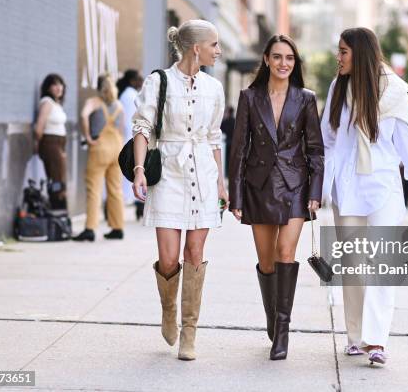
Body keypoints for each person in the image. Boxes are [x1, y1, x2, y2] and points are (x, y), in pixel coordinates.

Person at [321, 28, 408, 365]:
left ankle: (376, 341)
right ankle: (355, 336)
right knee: (353, 264)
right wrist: (322, 189)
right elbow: (328, 140)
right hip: (348, 188)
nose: (338, 58)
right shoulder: (338, 86)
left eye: (343, 52)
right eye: (338, 51)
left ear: (361, 53)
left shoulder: (396, 91)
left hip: (383, 188)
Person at [132, 19, 225, 361]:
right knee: (169, 258)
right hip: (168, 171)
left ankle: (189, 332)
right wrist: (140, 169)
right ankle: (168, 309)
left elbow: (214, 137)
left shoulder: (214, 88)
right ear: (195, 48)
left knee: (195, 255)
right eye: (214, 44)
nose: (219, 50)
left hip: (202, 171)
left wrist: (220, 182)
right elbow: (142, 127)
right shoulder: (159, 81)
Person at [228, 34, 324, 360]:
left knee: (286, 252)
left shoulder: (306, 98)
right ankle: (272, 317)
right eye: (278, 57)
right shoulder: (249, 97)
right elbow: (239, 150)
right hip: (259, 186)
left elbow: (316, 151)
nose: (284, 63)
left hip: (296, 186)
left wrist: (315, 192)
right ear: (267, 60)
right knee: (267, 262)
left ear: (295, 64)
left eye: (290, 58)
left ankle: (282, 331)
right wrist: (236, 195)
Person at [73, 74, 125, 241]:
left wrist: (87, 136)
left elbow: (83, 115)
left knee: (94, 189)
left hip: (99, 148)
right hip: (117, 149)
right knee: (115, 189)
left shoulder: (94, 102)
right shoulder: (119, 105)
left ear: (97, 87)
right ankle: (117, 228)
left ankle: (90, 228)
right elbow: (122, 129)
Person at [34, 73, 68, 210]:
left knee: (59, 178)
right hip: (50, 144)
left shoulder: (56, 104)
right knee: (56, 180)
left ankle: (59, 211)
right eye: (54, 84)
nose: (59, 87)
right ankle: (57, 209)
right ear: (48, 88)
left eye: (60, 84)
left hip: (59, 145)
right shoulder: (47, 102)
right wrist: (38, 145)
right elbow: (39, 128)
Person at [117, 69, 145, 218]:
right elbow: (130, 122)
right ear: (133, 80)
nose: (142, 81)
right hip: (132, 139)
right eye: (139, 78)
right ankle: (139, 205)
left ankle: (139, 205)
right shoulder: (130, 96)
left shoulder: (127, 94)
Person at [220, 105, 235, 176]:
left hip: (226, 143)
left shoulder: (225, 122)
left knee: (226, 160)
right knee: (232, 160)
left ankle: (226, 174)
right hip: (233, 144)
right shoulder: (236, 121)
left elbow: (221, 131)